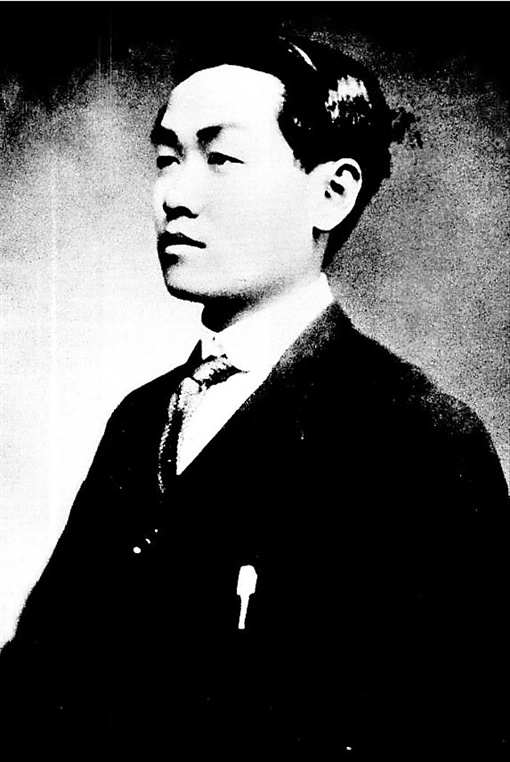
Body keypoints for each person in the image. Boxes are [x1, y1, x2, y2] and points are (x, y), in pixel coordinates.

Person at [1, 35, 508, 758]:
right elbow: (36, 681)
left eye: (221, 158)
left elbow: (457, 736)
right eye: (167, 158)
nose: (175, 195)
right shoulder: (142, 419)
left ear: (331, 192)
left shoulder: (420, 440)